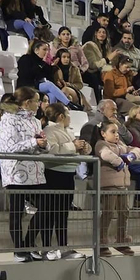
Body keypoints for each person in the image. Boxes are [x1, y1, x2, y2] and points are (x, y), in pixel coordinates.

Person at [0, 88, 47, 261]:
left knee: (46, 207)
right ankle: (19, 250)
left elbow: (38, 145)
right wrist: (34, 142)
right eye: (37, 100)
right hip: (16, 172)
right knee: (17, 212)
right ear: (27, 102)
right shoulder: (8, 119)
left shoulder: (36, 121)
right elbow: (8, 147)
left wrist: (42, 144)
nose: (39, 104)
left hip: (36, 172)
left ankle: (28, 244)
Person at [39, 104, 85, 259]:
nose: (70, 117)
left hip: (68, 174)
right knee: (50, 213)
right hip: (54, 174)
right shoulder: (49, 130)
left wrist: (83, 148)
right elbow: (52, 150)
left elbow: (73, 149)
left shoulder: (68, 131)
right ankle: (46, 248)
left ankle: (63, 247)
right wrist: (73, 146)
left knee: (63, 213)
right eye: (68, 114)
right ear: (61, 116)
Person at [92, 122, 139, 257]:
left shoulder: (121, 145)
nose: (116, 135)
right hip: (109, 185)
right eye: (113, 132)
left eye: (117, 132)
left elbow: (137, 149)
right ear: (103, 133)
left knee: (124, 212)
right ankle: (101, 241)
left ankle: (121, 239)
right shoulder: (101, 144)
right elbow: (106, 154)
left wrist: (132, 155)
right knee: (108, 212)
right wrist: (120, 161)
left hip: (122, 185)